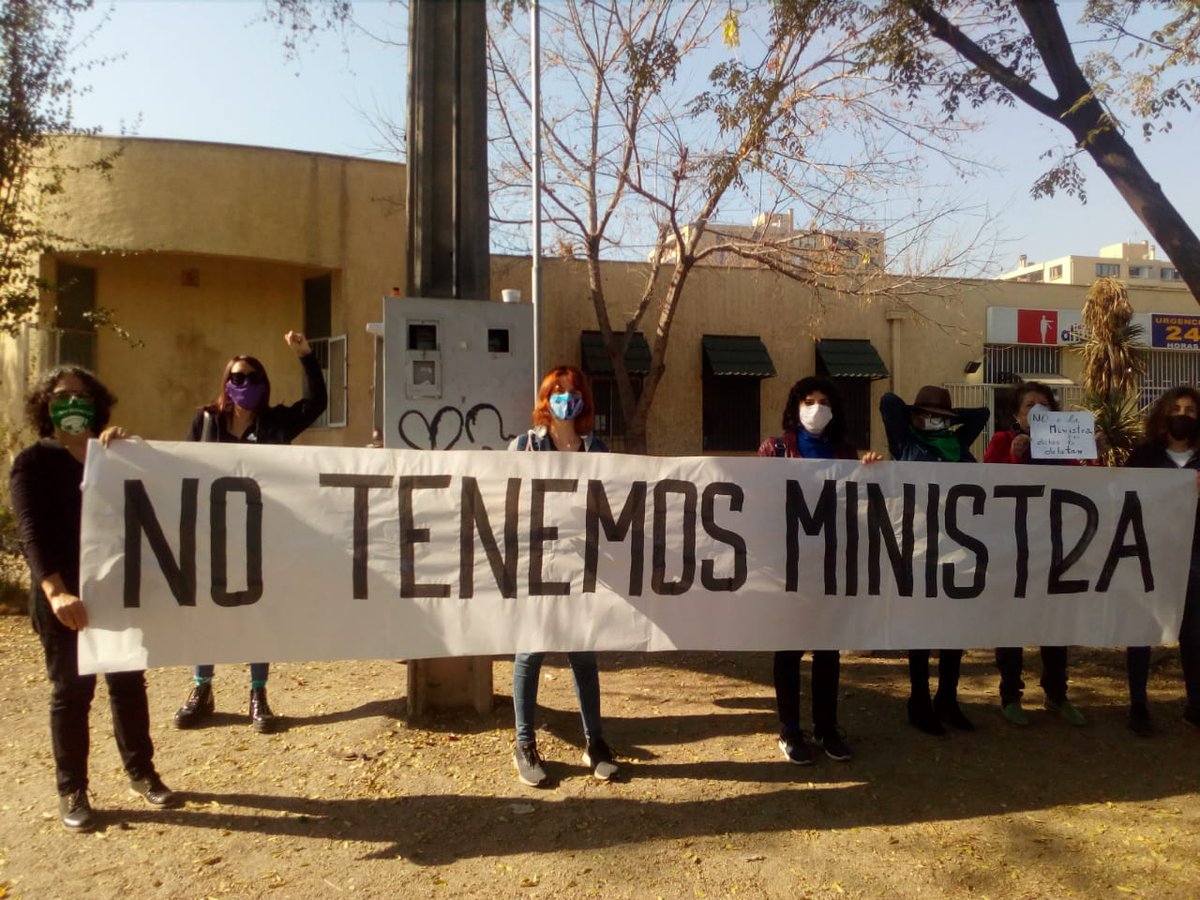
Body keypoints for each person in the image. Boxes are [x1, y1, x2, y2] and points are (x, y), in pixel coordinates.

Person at [10, 366, 180, 832]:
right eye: (62, 395)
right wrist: (56, 591)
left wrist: (131, 450)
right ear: (46, 404)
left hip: (116, 590)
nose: (72, 403)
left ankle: (141, 773)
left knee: (128, 684)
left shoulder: (113, 456)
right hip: (63, 597)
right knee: (71, 692)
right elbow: (31, 535)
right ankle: (72, 787)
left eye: (81, 395)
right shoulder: (33, 463)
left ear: (97, 402)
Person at [173, 330, 327, 733]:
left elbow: (317, 404)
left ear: (263, 386)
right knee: (207, 611)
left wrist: (306, 356)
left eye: (251, 378)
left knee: (258, 613)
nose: (242, 385)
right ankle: (201, 688)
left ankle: (258, 694)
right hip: (213, 533)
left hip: (263, 534)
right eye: (236, 378)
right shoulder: (207, 421)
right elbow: (181, 469)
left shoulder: (276, 422)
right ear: (226, 382)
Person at [758, 377, 883, 765]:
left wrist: (871, 470)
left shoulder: (844, 451)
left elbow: (861, 503)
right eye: (808, 401)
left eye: (824, 401)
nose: (816, 408)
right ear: (795, 407)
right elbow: (759, 501)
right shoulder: (775, 449)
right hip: (789, 566)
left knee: (828, 649)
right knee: (790, 649)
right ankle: (790, 730)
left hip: (831, 565)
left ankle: (827, 728)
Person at [508, 365, 618, 786]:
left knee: (583, 654)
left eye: (573, 391)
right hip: (536, 566)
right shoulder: (523, 446)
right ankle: (524, 742)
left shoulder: (599, 450)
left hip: (583, 568)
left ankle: (595, 742)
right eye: (557, 391)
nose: (565, 398)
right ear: (545, 399)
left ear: (584, 401)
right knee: (530, 652)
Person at [880, 384, 989, 735]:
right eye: (927, 415)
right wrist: (918, 415)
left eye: (941, 417)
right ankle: (919, 700)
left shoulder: (959, 446)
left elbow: (982, 415)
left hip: (959, 547)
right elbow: (888, 402)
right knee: (922, 629)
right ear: (914, 417)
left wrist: (949, 420)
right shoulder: (907, 445)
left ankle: (947, 699)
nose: (934, 422)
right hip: (920, 547)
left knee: (954, 629)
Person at [983, 382, 1086, 727]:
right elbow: (989, 488)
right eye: (1029, 407)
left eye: (1044, 407)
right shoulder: (1001, 441)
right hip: (1011, 550)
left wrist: (1094, 456)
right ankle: (1011, 694)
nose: (1037, 412)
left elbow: (1087, 489)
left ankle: (1057, 694)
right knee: (1010, 625)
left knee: (1054, 625)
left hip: (1054, 549)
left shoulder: (1063, 447)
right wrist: (1016, 454)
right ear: (1016, 414)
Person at [1123, 386, 1200, 737]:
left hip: (1195, 554)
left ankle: (1195, 703)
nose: (1182, 415)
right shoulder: (1144, 456)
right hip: (1148, 553)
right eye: (1176, 409)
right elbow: (1119, 495)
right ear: (1162, 416)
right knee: (1141, 629)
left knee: (1194, 632)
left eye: (1190, 410)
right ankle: (1138, 702)